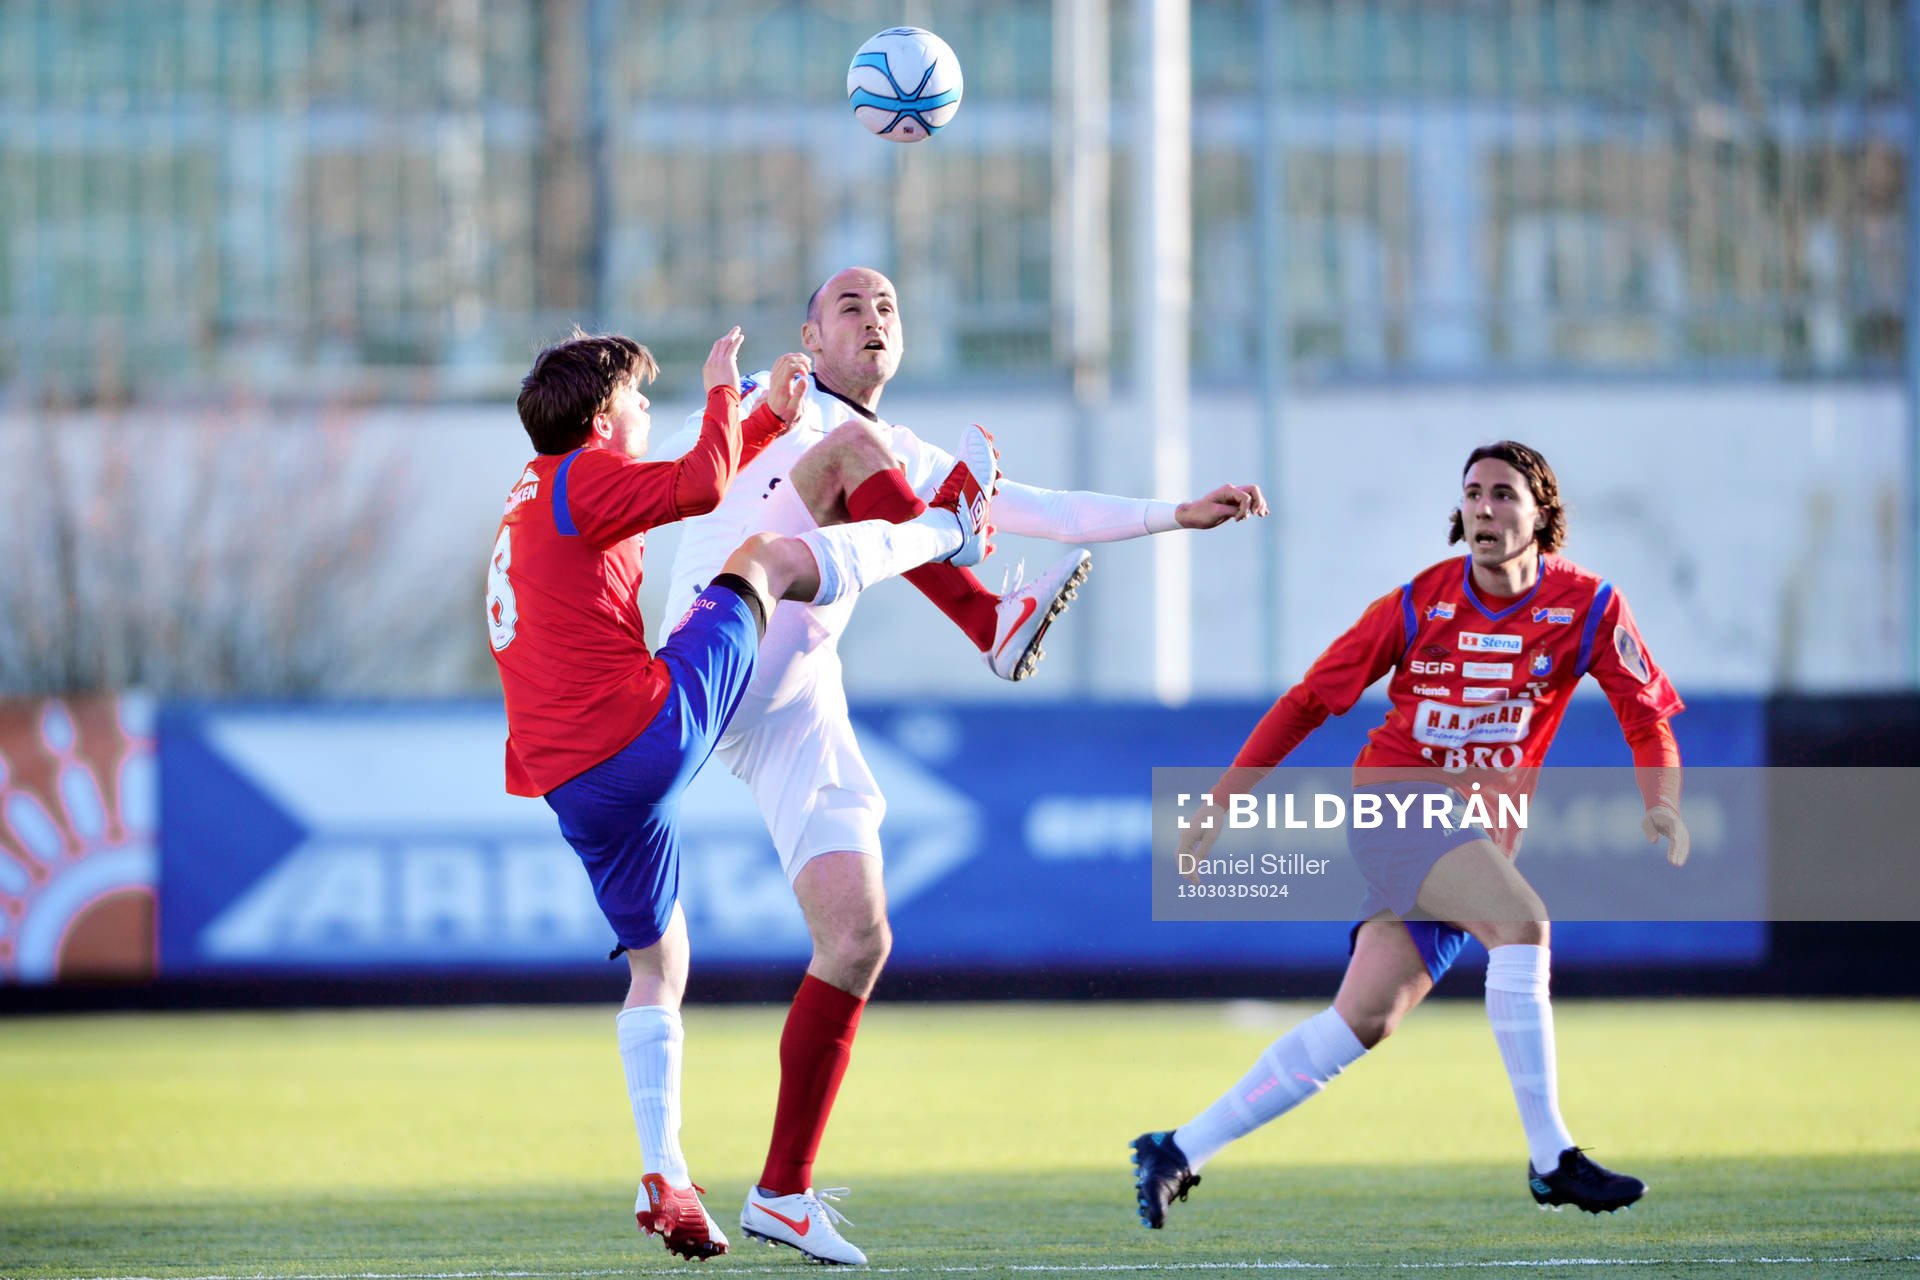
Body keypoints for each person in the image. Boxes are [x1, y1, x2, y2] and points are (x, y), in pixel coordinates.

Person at [659, 266, 1269, 1264]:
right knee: (857, 452)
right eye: (848, 305)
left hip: (796, 688)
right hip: (723, 637)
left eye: (888, 304)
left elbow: (1044, 510)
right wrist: (744, 403)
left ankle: (783, 1189)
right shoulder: (794, 405)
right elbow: (709, 461)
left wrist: (1174, 513)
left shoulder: (896, 450)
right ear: (810, 339)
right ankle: (991, 622)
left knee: (857, 939)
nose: (873, 316)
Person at [486, 325, 997, 1261]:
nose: (649, 410)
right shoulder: (585, 476)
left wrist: (761, 418)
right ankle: (948, 535)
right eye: (639, 399)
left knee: (658, 963)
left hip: (575, 785)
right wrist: (726, 392)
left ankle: (667, 1173)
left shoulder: (542, 488)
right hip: (640, 734)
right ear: (603, 418)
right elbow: (701, 486)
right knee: (761, 559)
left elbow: (683, 480)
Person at [1131, 440, 1690, 1228]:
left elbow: (1647, 715)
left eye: (1504, 494)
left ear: (1544, 515)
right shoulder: (1415, 604)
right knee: (1523, 923)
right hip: (1397, 803)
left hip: (1474, 836)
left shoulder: (1590, 607)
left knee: (1361, 1021)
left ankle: (1179, 1148)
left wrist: (1661, 799)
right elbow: (1307, 703)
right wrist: (1223, 802)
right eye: (1473, 493)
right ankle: (1551, 1158)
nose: (1485, 508)